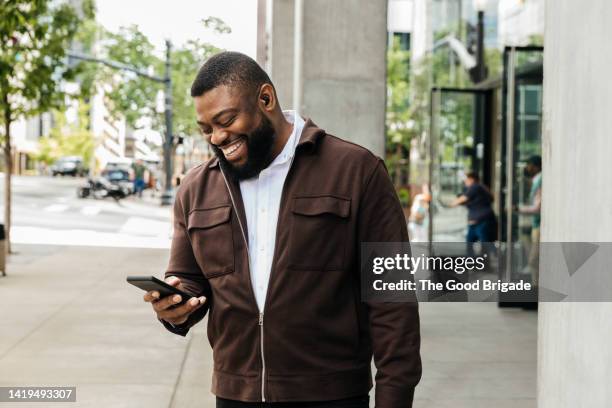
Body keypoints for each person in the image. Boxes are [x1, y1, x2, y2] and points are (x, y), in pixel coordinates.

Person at [141, 52, 421, 408]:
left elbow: (393, 302)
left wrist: (394, 399)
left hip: (332, 395)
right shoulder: (196, 188)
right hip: (234, 395)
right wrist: (175, 305)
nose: (216, 137)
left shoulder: (357, 171)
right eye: (206, 129)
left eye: (225, 120)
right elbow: (188, 279)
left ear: (266, 99)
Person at [450, 172, 497, 251]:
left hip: (482, 222)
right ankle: (475, 261)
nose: (465, 182)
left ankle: (493, 260)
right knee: (473, 245)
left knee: (485, 246)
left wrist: (451, 203)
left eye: (466, 180)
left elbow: (463, 198)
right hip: (476, 223)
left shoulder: (475, 187)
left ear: (471, 179)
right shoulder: (480, 188)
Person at [518, 155, 542, 285]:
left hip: (538, 225)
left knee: (534, 259)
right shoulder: (536, 180)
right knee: (534, 259)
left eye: (529, 165)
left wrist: (519, 208)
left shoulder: (541, 180)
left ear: (535, 166)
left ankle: (536, 291)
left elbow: (537, 208)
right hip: (536, 224)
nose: (527, 168)